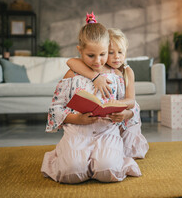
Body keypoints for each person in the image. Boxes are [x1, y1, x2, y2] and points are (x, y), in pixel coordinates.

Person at [41, 12, 141, 184]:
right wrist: (77, 118)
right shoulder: (72, 73)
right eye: (91, 55)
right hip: (77, 131)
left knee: (108, 170)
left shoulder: (116, 75)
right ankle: (67, 157)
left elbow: (132, 105)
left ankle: (105, 158)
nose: (97, 61)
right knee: (71, 173)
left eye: (103, 54)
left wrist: (123, 114)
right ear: (80, 51)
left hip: (106, 131)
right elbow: (56, 107)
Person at [66, 28, 149, 159]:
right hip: (110, 119)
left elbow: (131, 101)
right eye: (111, 53)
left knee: (128, 153)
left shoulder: (127, 71)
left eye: (121, 52)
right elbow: (71, 62)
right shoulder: (101, 68)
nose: (117, 57)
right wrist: (95, 77)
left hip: (126, 116)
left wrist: (116, 105)